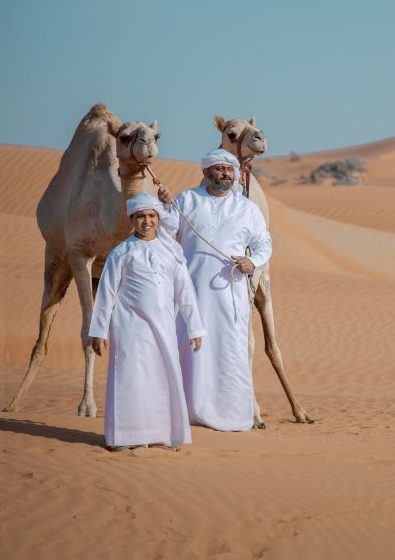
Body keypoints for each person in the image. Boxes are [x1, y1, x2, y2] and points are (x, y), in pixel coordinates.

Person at [158, 149, 272, 431]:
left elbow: (264, 244)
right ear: (206, 172)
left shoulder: (247, 209)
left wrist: (251, 261)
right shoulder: (187, 200)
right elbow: (167, 232)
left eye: (229, 170)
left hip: (229, 292)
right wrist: (165, 207)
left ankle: (232, 415)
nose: (225, 174)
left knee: (229, 351)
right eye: (219, 169)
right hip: (191, 290)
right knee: (190, 347)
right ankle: (188, 411)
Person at [87, 193, 207, 451]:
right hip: (129, 326)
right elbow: (106, 292)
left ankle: (163, 434)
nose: (147, 221)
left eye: (152, 216)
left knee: (162, 379)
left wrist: (195, 327)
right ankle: (125, 437)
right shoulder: (121, 252)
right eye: (141, 216)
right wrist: (99, 331)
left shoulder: (170, 253)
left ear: (158, 218)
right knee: (130, 379)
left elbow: (185, 292)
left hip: (163, 327)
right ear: (132, 219)